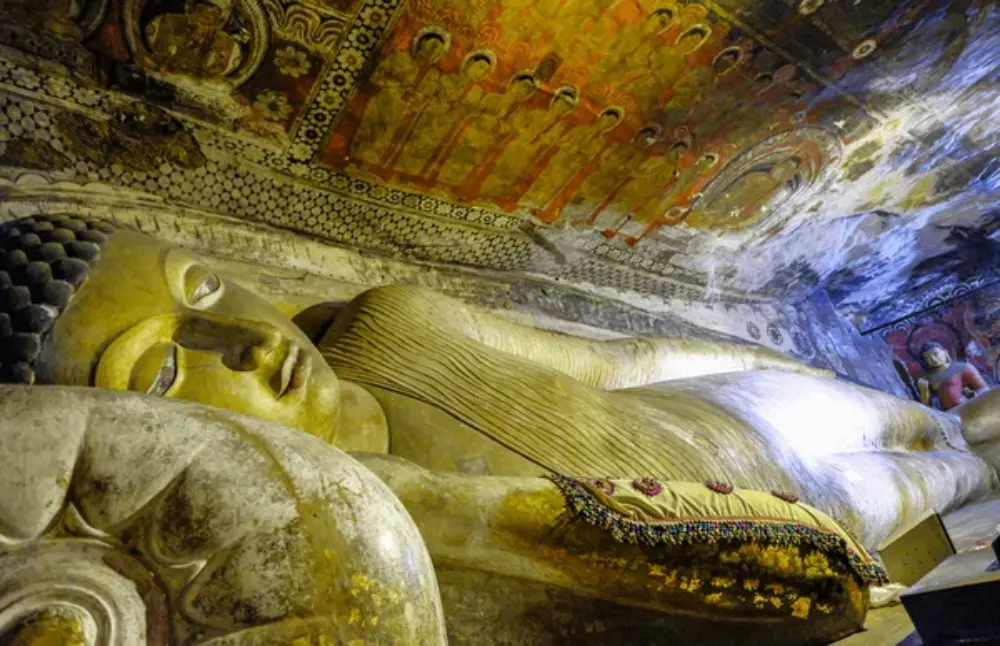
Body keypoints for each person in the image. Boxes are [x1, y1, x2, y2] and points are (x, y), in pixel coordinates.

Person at [1, 214, 995, 642]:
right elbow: (797, 589)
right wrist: (414, 504)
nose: (245, 341)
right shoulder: (401, 566)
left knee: (943, 421)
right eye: (165, 369)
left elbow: (621, 363)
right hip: (807, 506)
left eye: (205, 289)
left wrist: (778, 369)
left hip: (750, 403)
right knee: (962, 475)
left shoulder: (388, 322)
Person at [917, 341, 989, 410]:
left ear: (945, 352)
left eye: (935, 354)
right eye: (927, 358)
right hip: (950, 414)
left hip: (973, 406)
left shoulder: (963, 367)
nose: (933, 359)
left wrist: (973, 395)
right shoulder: (928, 379)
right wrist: (924, 391)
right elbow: (928, 408)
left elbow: (983, 389)